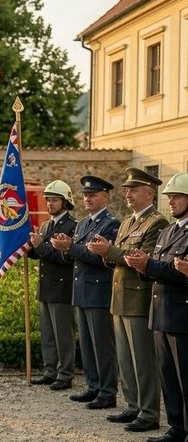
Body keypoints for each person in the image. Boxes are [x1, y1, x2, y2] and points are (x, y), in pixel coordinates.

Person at [85, 168, 166, 430]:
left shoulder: (156, 223)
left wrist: (110, 251)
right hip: (119, 298)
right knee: (125, 360)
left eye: (133, 190)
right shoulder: (127, 222)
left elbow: (142, 259)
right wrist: (105, 252)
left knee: (143, 361)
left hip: (138, 300)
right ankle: (132, 406)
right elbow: (118, 258)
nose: (128, 194)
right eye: (127, 190)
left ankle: (148, 412)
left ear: (149, 193)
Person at [124, 172, 188, 442]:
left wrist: (149, 265)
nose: (170, 201)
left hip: (182, 316)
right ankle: (176, 428)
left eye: (177, 196)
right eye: (169, 197)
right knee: (168, 377)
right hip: (161, 313)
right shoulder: (168, 231)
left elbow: (179, 271)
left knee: (185, 379)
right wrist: (143, 266)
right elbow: (160, 267)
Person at [50, 175, 120, 410]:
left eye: (93, 195)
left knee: (102, 345)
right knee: (88, 345)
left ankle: (107, 391)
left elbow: (100, 257)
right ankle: (93, 386)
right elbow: (76, 255)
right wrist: (64, 247)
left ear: (105, 197)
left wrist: (70, 247)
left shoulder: (110, 224)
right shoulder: (82, 224)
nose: (87, 199)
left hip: (98, 291)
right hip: (81, 290)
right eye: (85, 195)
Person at [26, 181, 78, 391]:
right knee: (47, 334)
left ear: (65, 202)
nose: (50, 204)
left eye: (54, 200)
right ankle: (50, 371)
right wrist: (29, 247)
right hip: (46, 287)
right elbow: (40, 253)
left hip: (61, 287)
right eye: (48, 200)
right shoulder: (46, 225)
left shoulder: (72, 226)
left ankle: (65, 374)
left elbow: (63, 257)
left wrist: (40, 246)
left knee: (63, 335)